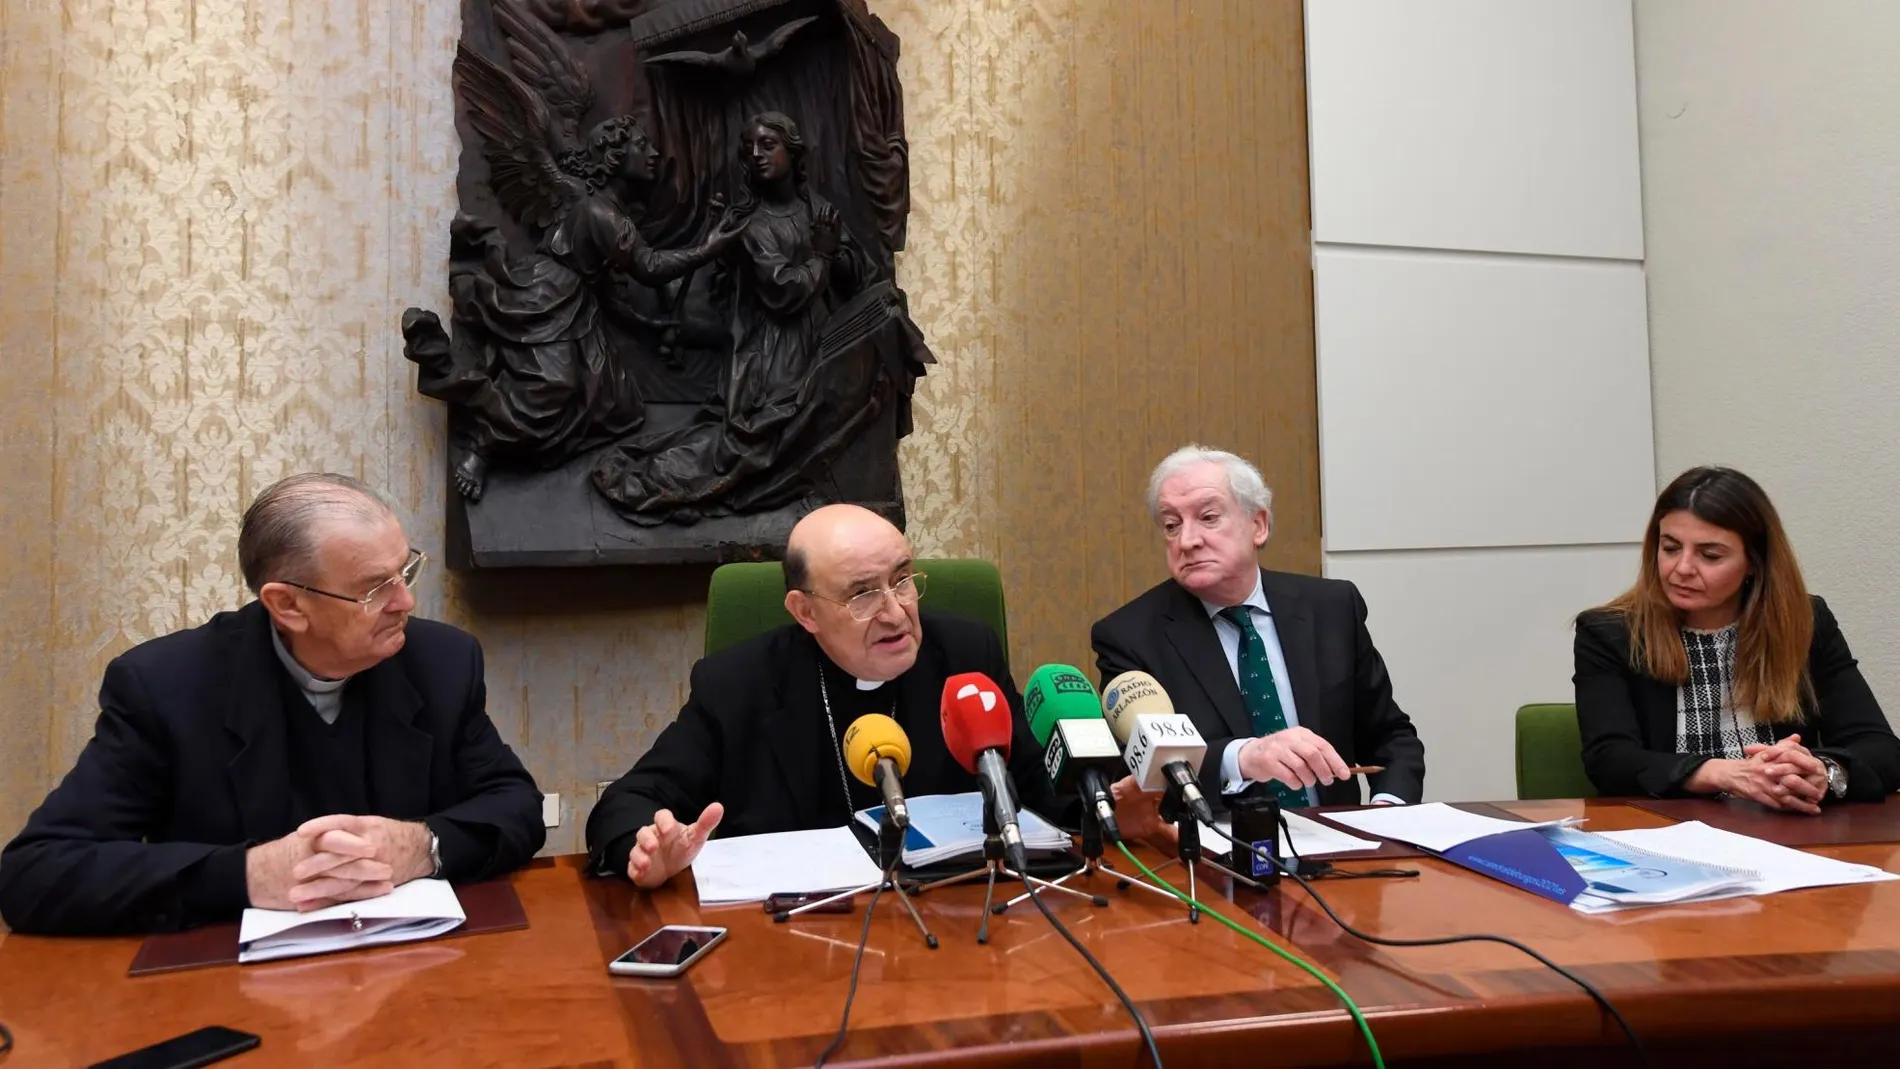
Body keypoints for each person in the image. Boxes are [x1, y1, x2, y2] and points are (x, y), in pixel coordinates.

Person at [0, 474, 546, 934]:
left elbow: (518, 806)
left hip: (417, 975)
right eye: (374, 589)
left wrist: (421, 846)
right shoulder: (165, 685)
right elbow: (35, 873)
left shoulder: (441, 662)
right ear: (287, 605)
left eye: (405, 571)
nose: (405, 602)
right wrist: (249, 875)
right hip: (233, 989)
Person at [587, 504, 1157, 887]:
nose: (896, 611)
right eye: (862, 595)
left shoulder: (964, 655)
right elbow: (629, 801)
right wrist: (646, 850)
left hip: (961, 927)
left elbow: (1038, 786)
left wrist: (1103, 812)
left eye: (903, 579)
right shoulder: (739, 684)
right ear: (805, 612)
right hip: (797, 945)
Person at [1092, 446, 1425, 811]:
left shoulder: (1331, 608)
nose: (1187, 540)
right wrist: (1243, 757)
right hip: (1216, 852)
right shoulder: (1130, 636)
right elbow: (1134, 772)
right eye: (1172, 525)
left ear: (1259, 525)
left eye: (1208, 517)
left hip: (1339, 844)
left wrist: (1387, 814)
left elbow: (1391, 738)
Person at [1574, 466, 1899, 809]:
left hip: (1786, 831)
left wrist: (1822, 771)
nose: (1682, 568)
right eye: (1670, 548)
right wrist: (1726, 774)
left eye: (1709, 555)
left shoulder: (1805, 622)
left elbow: (1881, 749)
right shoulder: (1611, 632)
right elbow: (1610, 760)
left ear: (1755, 562)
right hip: (1670, 831)